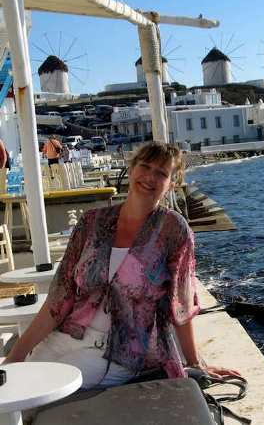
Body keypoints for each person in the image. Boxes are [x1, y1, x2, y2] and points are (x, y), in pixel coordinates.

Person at [5, 141, 239, 388]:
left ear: (173, 182)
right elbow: (58, 298)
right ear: (131, 168)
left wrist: (195, 362)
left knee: (36, 391)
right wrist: (15, 356)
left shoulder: (173, 230)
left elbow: (181, 305)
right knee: (12, 386)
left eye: (161, 173)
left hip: (117, 352)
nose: (150, 177)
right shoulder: (92, 223)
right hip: (65, 336)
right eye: (145, 166)